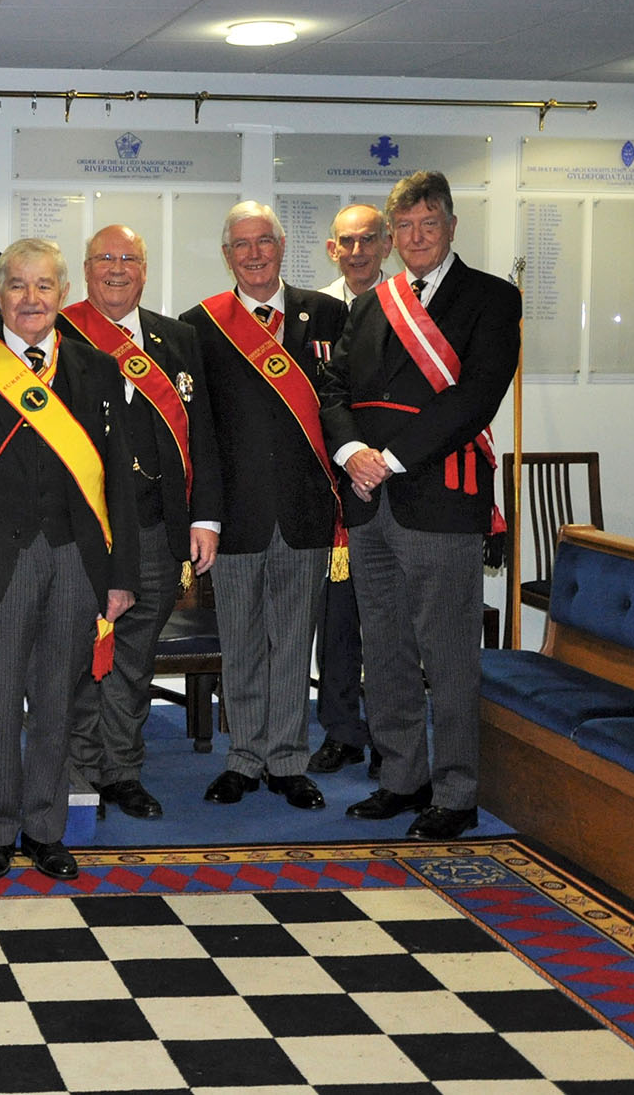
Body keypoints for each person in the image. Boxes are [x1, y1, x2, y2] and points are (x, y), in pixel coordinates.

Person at [0, 238, 138, 881]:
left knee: (55, 702)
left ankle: (45, 829)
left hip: (75, 561)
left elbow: (117, 481)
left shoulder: (97, 369)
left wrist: (121, 576)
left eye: (45, 286)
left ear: (62, 295)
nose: (31, 299)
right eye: (18, 285)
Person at [320, 170, 520, 840]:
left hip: (439, 497)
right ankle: (402, 777)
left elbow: (476, 396)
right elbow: (334, 387)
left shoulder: (491, 299)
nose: (414, 237)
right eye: (403, 227)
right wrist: (353, 455)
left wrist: (392, 458)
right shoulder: (375, 302)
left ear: (452, 226)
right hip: (370, 503)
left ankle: (457, 791)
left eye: (426, 224)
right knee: (388, 648)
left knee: (449, 653)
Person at [181, 201, 348, 812]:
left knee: (291, 638)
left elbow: (339, 404)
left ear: (283, 246)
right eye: (241, 245)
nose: (254, 254)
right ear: (227, 255)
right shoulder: (199, 325)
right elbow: (194, 429)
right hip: (234, 515)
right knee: (243, 640)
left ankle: (286, 760)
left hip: (305, 510)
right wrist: (202, 513)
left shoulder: (327, 314)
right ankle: (244, 758)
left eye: (264, 242)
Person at [59, 225, 220, 820]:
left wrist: (205, 518)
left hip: (155, 529)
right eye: (106, 258)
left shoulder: (177, 338)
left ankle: (121, 772)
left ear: (145, 270)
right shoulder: (58, 333)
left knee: (133, 657)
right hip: (82, 534)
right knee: (76, 651)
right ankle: (76, 772)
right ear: (86, 268)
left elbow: (201, 434)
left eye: (129, 258)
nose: (117, 268)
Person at [309, 204, 393, 779]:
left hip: (396, 482)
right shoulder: (309, 313)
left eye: (369, 240)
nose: (358, 251)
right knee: (335, 621)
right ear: (331, 248)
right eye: (347, 242)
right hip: (328, 488)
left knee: (391, 623)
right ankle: (342, 730)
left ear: (387, 245)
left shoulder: (413, 309)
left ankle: (393, 735)